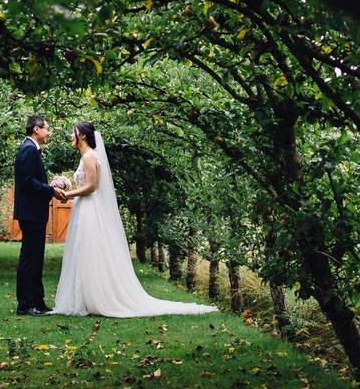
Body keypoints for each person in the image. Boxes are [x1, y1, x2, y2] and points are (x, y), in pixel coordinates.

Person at [51, 122, 218, 317]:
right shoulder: (85, 157)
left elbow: (91, 187)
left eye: (73, 132)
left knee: (89, 250)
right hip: (84, 207)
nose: (71, 136)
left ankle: (95, 298)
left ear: (82, 136)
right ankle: (83, 297)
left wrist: (67, 195)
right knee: (82, 251)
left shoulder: (89, 156)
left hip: (89, 208)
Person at [13, 115, 66, 316]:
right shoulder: (28, 149)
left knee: (36, 258)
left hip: (33, 211)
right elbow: (28, 183)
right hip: (31, 212)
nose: (48, 132)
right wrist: (50, 190)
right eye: (46, 128)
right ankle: (26, 304)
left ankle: (37, 301)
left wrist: (48, 186)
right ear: (36, 129)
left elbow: (32, 180)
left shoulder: (31, 149)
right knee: (30, 258)